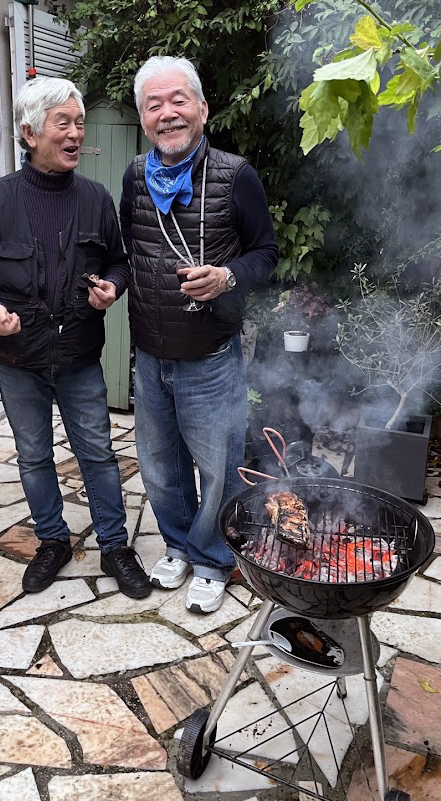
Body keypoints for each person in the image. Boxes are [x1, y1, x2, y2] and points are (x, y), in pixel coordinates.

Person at [0, 77, 150, 599]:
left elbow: (117, 261)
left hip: (81, 357)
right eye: (62, 123)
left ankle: (114, 546)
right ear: (28, 133)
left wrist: (113, 287)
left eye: (79, 124)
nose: (75, 134)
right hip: (19, 360)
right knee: (34, 455)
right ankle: (52, 542)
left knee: (98, 454)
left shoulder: (95, 198)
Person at [120, 56, 278, 613]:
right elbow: (128, 247)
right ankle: (179, 544)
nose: (168, 114)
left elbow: (267, 254)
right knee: (160, 465)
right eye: (154, 105)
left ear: (203, 109)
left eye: (178, 100)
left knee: (217, 466)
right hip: (150, 351)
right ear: (143, 119)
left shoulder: (237, 176)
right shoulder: (136, 175)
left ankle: (214, 557)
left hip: (210, 354)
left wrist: (228, 276)